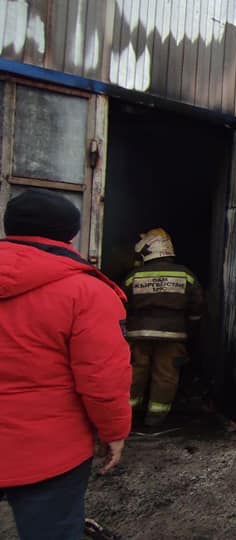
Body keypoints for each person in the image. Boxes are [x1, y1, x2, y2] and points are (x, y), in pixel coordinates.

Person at [0, 190, 131, 539]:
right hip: (47, 453)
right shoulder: (87, 292)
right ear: (70, 235)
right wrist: (113, 432)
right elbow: (103, 379)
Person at [124, 228, 204, 427]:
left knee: (134, 374)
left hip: (138, 334)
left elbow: (123, 303)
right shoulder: (186, 275)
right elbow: (197, 307)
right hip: (173, 335)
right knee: (166, 376)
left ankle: (126, 418)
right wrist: (191, 329)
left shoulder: (134, 276)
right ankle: (155, 420)